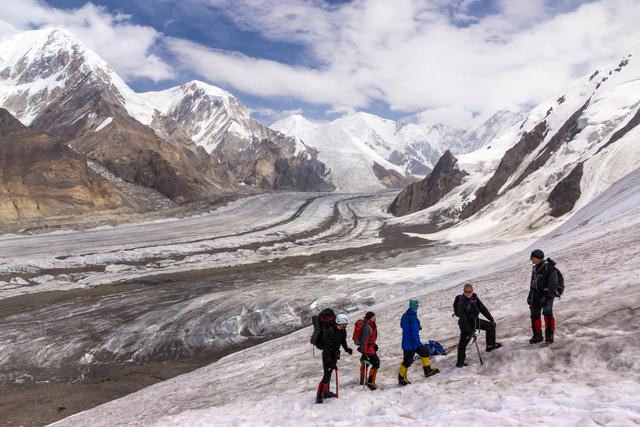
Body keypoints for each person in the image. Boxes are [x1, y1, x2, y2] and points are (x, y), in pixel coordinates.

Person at [454, 283, 501, 368]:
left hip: (475, 321)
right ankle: (460, 362)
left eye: (469, 292)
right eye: (466, 292)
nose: (468, 293)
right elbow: (463, 319)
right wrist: (470, 332)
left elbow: (483, 309)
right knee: (463, 343)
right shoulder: (461, 303)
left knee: (490, 326)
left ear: (472, 291)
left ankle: (490, 345)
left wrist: (491, 319)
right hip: (465, 324)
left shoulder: (474, 298)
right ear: (463, 292)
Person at [398, 299, 439, 386]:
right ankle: (401, 378)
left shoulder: (405, 315)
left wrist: (416, 326)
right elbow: (414, 334)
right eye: (415, 307)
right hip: (411, 344)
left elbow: (402, 325)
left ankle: (427, 371)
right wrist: (416, 330)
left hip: (411, 342)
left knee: (424, 353)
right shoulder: (412, 317)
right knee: (407, 361)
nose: (416, 308)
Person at [316, 313, 353, 404]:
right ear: (340, 323)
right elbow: (326, 347)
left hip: (335, 354)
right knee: (327, 375)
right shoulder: (330, 331)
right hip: (327, 355)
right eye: (345, 324)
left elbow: (343, 341)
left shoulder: (343, 331)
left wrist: (347, 349)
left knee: (329, 373)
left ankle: (326, 392)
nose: (346, 325)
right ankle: (319, 396)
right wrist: (328, 360)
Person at [528, 249, 558, 344]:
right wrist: (530, 295)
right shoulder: (534, 268)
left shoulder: (549, 267)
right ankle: (537, 335)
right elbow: (532, 282)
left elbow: (553, 284)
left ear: (538, 257)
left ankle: (549, 336)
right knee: (534, 315)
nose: (531, 259)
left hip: (546, 294)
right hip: (535, 294)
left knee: (547, 313)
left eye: (532, 257)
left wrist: (549, 297)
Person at [358, 311, 380, 390]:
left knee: (365, 363)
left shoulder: (371, 325)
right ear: (370, 318)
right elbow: (364, 341)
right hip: (367, 349)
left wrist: (374, 345)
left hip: (369, 347)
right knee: (376, 362)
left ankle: (362, 380)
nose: (375, 318)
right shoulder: (368, 327)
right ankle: (370, 383)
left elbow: (370, 338)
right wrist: (364, 353)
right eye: (373, 317)